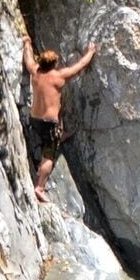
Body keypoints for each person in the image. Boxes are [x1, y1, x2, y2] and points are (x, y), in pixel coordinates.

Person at [22, 31, 96, 201]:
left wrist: (27, 42)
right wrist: (90, 52)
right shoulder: (59, 77)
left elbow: (28, 60)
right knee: (49, 155)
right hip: (49, 124)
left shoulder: (35, 72)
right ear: (53, 64)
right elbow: (78, 67)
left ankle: (59, 135)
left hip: (35, 120)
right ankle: (40, 187)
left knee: (58, 111)